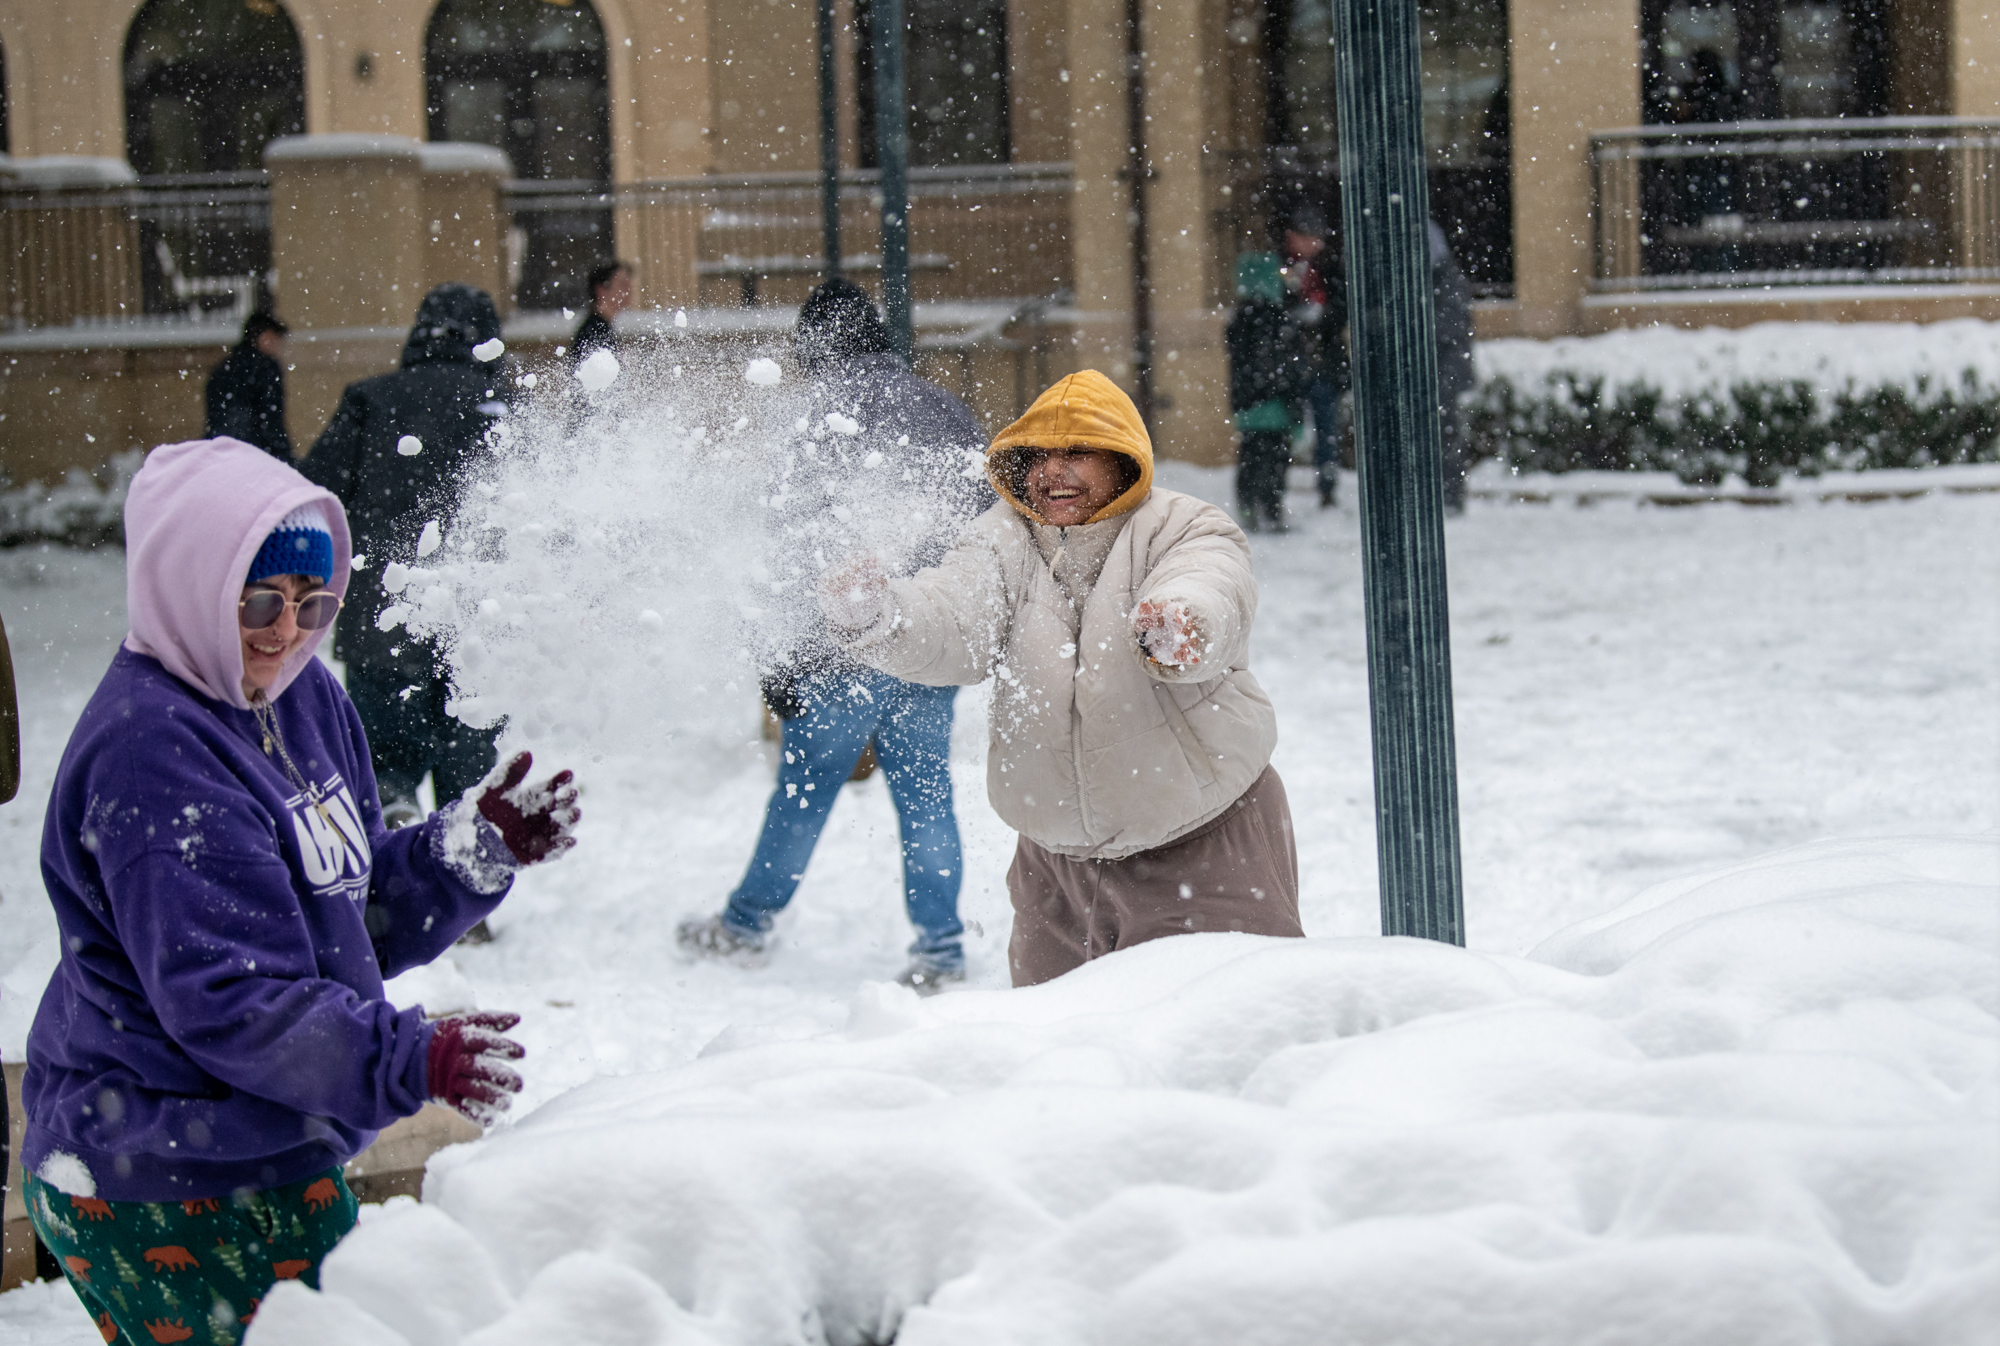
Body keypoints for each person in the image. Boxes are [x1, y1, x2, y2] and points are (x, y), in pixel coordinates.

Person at [19, 437, 579, 1345]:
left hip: (261, 1146)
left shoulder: (302, 694)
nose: (287, 629)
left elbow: (337, 916)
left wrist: (466, 854)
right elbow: (233, 999)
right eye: (259, 600)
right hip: (164, 1174)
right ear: (193, 584)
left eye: (313, 602)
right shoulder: (152, 753)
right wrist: (405, 1060)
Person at [816, 370, 1305, 987]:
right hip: (1057, 868)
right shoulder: (1002, 541)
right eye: (1038, 456)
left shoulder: (1181, 526)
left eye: (1076, 453)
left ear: (1123, 459)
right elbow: (953, 617)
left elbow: (1212, 582)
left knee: (1219, 1035)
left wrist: (1184, 625)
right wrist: (883, 615)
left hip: (1197, 842)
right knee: (1063, 1062)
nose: (1052, 472)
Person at [677, 278, 993, 992]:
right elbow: (979, 524)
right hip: (926, 636)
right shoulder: (943, 408)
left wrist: (778, 660)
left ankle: (747, 923)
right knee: (926, 791)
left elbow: (787, 544)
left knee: (802, 791)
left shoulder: (812, 414)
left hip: (839, 649)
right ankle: (941, 947)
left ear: (815, 345)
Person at [304, 284, 512, 832]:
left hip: (383, 616)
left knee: (383, 763)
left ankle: (394, 830)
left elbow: (313, 495)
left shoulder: (370, 399)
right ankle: (461, 880)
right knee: (470, 774)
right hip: (480, 627)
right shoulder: (505, 406)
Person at [1224, 252, 1308, 533]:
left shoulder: (1239, 320)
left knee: (1250, 456)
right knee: (1275, 460)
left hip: (1248, 405)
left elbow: (1244, 366)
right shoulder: (1277, 318)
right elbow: (1286, 364)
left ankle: (1249, 506)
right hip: (1275, 404)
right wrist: (1292, 399)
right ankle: (1271, 509)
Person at [1282, 207, 1350, 508]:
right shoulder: (1281, 267)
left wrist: (1322, 316)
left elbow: (1343, 307)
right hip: (1290, 360)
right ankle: (1276, 486)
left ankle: (1327, 485)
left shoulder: (1331, 267)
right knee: (1285, 426)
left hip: (1323, 359)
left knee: (1327, 427)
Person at [1429, 220, 1477, 513]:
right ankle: (1448, 494)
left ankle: (1450, 495)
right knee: (1444, 431)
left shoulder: (1443, 282)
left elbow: (1450, 328)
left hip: (1443, 368)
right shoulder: (1446, 280)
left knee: (1444, 432)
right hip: (1444, 368)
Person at [205, 310, 292, 460]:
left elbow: (215, 417)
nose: (279, 345)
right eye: (276, 338)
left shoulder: (223, 368)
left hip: (221, 452)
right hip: (257, 453)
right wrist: (284, 456)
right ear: (264, 336)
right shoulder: (267, 368)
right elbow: (271, 418)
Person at [568, 259, 632, 368]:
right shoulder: (594, 331)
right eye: (622, 284)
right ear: (601, 290)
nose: (629, 290)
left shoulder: (600, 327)